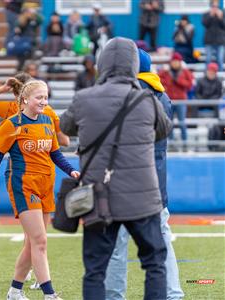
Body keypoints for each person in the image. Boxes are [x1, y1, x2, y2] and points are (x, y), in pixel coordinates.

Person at [59, 37, 172, 300]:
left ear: (102, 64)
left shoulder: (84, 98)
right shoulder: (146, 99)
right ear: (134, 66)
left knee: (95, 270)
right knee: (154, 264)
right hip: (143, 199)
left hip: (99, 198)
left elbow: (65, 127)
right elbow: (164, 130)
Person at [0, 79, 78, 300]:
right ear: (25, 99)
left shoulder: (47, 121)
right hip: (23, 185)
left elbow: (55, 153)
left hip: (45, 184)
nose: (44, 101)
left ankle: (15, 290)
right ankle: (49, 294)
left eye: (46, 97)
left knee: (32, 242)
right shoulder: (12, 124)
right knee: (40, 241)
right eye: (39, 97)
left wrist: (72, 171)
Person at [104, 49, 184, 300]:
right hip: (155, 184)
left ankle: (115, 296)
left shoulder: (126, 95)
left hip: (126, 183)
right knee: (162, 242)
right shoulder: (163, 96)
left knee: (117, 246)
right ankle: (173, 294)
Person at [158, 52, 194, 145]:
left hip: (181, 100)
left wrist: (179, 81)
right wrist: (166, 85)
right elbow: (158, 81)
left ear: (180, 62)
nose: (175, 63)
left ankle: (185, 142)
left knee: (182, 122)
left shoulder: (185, 72)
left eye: (177, 61)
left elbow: (190, 85)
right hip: (169, 100)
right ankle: (171, 143)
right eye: (173, 61)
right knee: (169, 123)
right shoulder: (165, 72)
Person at [202, 0, 225, 71]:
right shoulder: (206, 14)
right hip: (209, 41)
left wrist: (221, 18)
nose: (215, 8)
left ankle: (221, 75)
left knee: (220, 59)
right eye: (213, 6)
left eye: (216, 6)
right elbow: (205, 24)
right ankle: (207, 74)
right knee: (208, 59)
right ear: (211, 6)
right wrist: (211, 16)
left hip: (220, 41)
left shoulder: (222, 13)